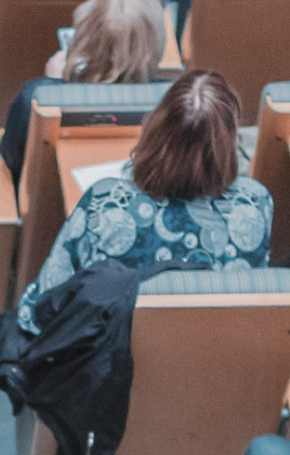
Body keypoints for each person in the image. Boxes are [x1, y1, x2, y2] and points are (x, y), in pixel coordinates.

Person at [15, 69, 271, 334]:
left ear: (155, 127)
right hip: (208, 360)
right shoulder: (255, 203)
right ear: (229, 143)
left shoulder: (106, 204)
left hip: (110, 363)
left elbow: (38, 310)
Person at [0, 0, 164, 181]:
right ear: (156, 42)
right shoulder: (177, 103)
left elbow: (12, 159)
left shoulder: (37, 99)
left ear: (83, 36)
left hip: (52, 206)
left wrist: (52, 85)